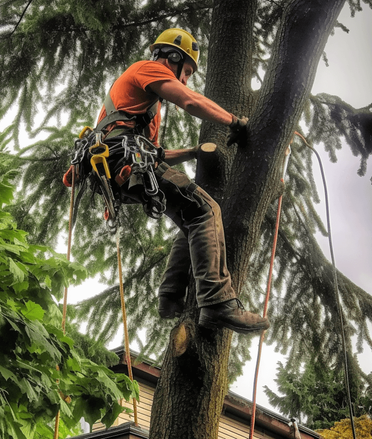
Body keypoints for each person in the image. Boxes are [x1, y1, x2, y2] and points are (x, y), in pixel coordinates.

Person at [72, 28, 269, 334]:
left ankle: (170, 296)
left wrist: (191, 152)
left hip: (121, 166)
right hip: (121, 162)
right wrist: (235, 122)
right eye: (186, 70)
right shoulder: (146, 68)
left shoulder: (140, 108)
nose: (186, 79)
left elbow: (154, 155)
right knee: (206, 210)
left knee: (190, 216)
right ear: (171, 57)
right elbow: (189, 102)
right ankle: (219, 304)